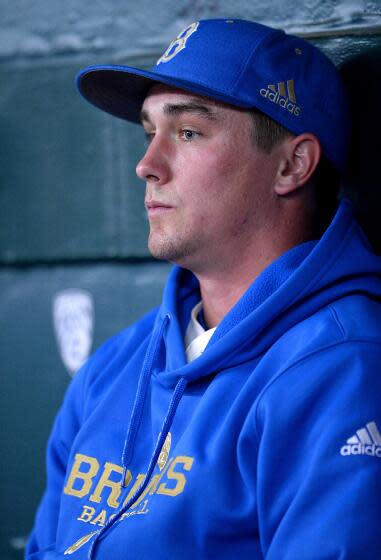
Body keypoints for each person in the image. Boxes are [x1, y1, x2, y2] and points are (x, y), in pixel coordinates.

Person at [27, 18, 381, 560]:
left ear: (292, 164)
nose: (147, 165)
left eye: (188, 132)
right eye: (149, 133)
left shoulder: (343, 369)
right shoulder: (116, 366)